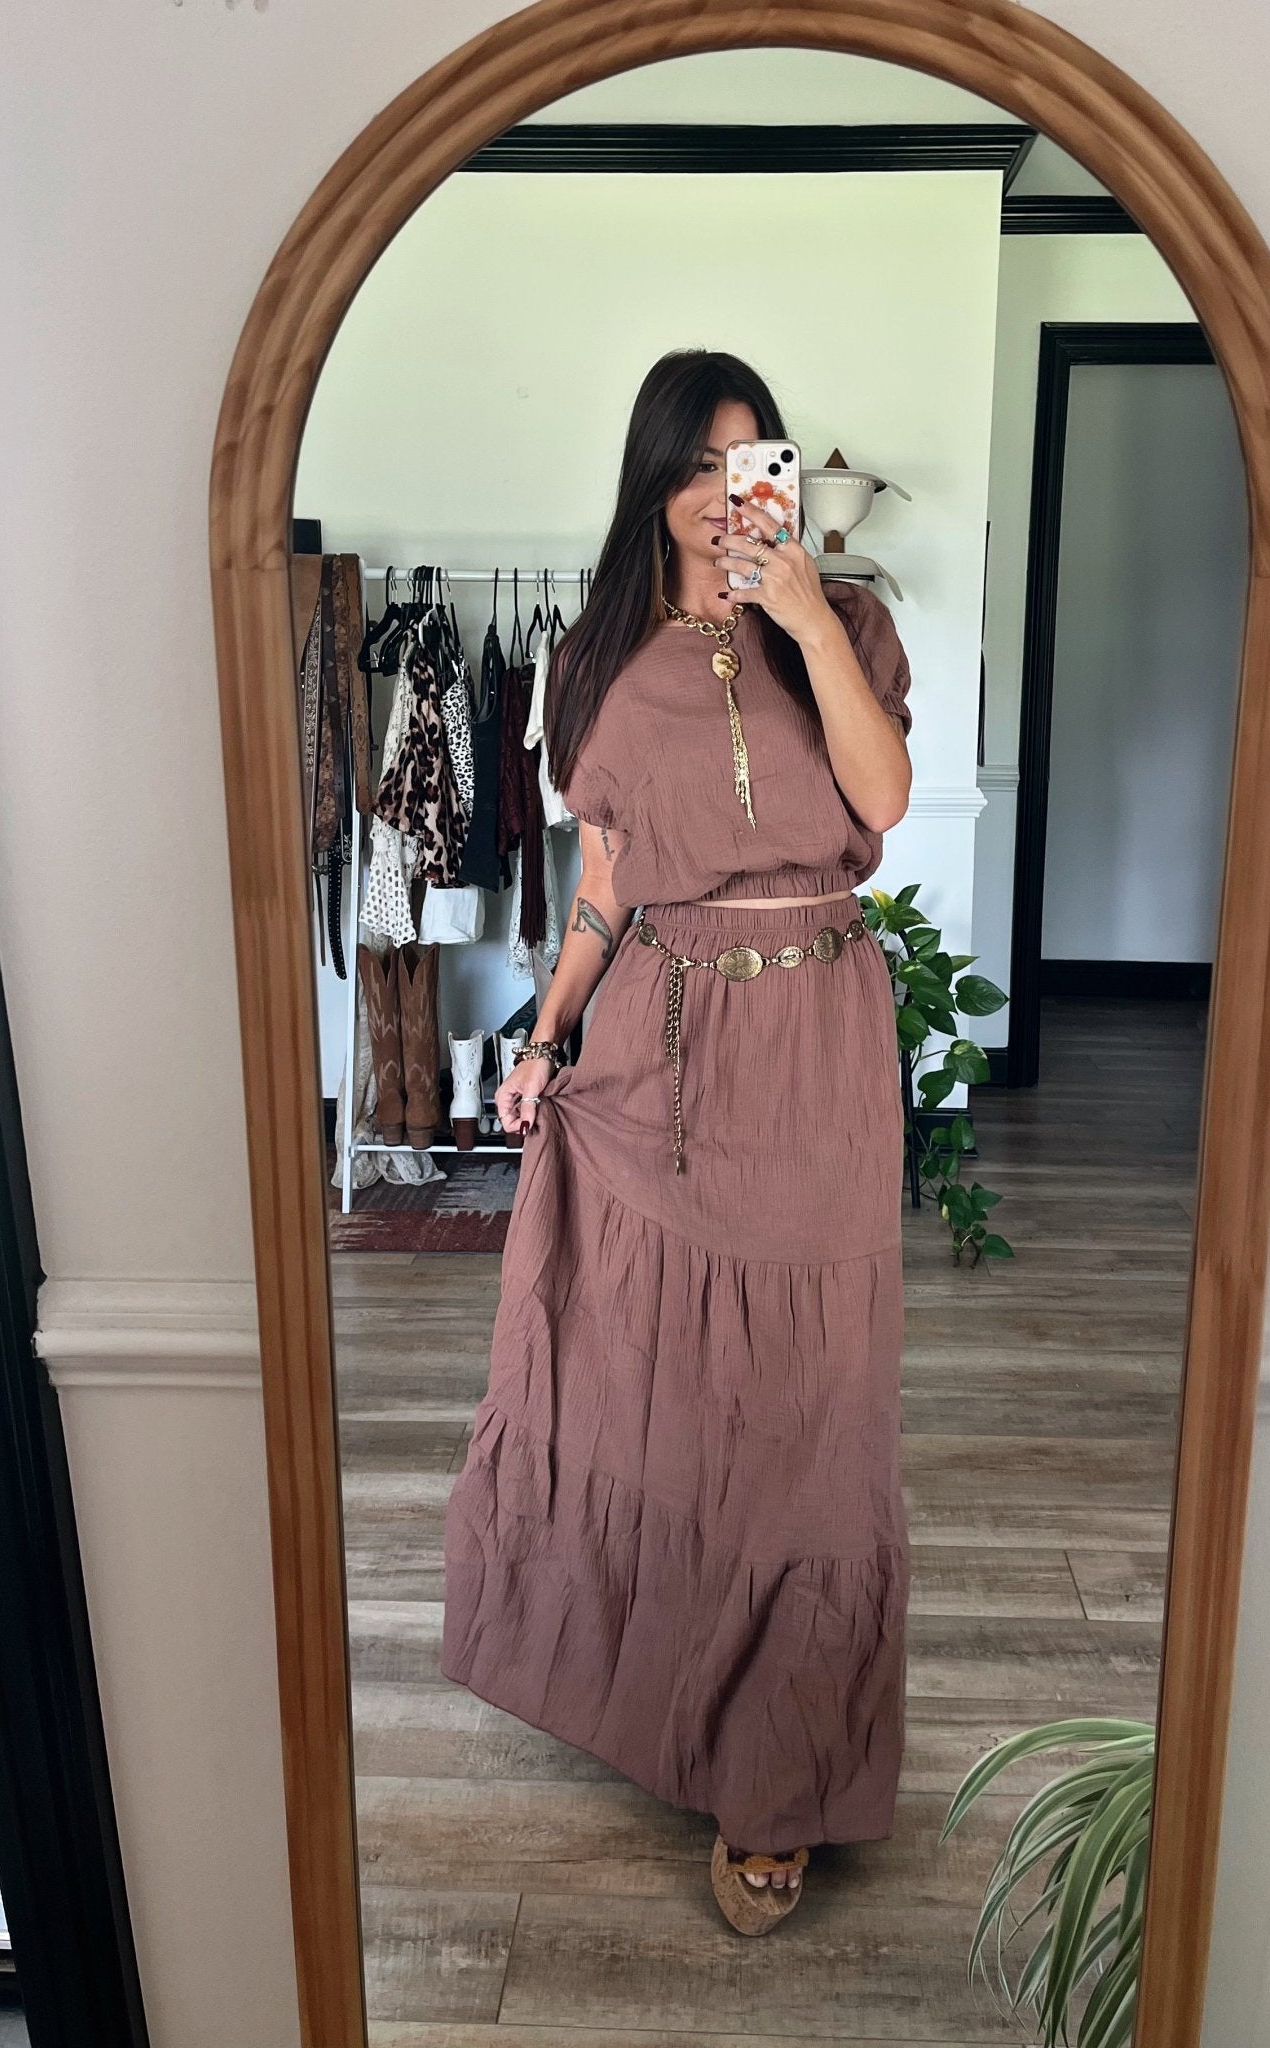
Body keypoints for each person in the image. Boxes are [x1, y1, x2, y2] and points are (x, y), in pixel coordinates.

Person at [441, 348, 914, 1936]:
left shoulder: (845, 626)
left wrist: (803, 617)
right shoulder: (592, 662)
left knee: (814, 1411)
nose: (726, 496)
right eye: (699, 468)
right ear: (654, 485)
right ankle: (675, 1705)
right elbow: (607, 877)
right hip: (666, 1041)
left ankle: (781, 1769)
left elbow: (880, 799)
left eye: (751, 463)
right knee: (665, 1391)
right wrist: (548, 1033)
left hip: (818, 1037)